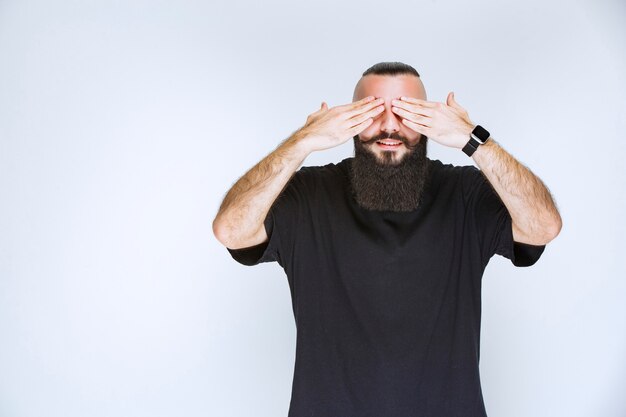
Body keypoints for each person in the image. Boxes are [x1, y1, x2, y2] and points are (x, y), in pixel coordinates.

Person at [212, 62, 562, 417]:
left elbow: (543, 226)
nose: (390, 126)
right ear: (349, 120)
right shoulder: (308, 195)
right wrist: (301, 143)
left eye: (407, 112)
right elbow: (231, 230)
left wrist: (474, 139)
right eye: (374, 111)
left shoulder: (464, 194)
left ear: (430, 122)